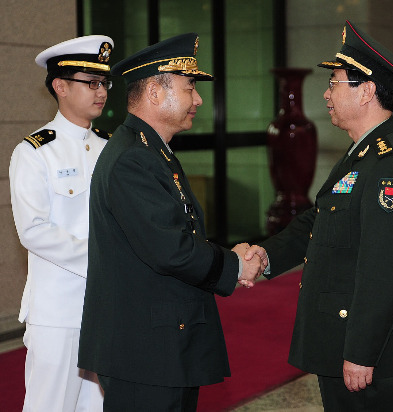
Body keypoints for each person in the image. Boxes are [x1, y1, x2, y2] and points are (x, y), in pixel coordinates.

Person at [241, 20, 393, 411]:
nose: (325, 94)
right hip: (341, 338)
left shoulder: (389, 166)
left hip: (361, 350)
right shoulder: (362, 153)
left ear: (367, 91)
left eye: (335, 82)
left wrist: (361, 351)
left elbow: (386, 268)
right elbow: (319, 220)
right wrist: (267, 255)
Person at [77, 33, 262, 411]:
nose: (198, 99)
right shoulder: (134, 158)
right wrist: (236, 264)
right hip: (145, 351)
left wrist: (227, 258)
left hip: (159, 345)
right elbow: (171, 250)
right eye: (190, 87)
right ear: (155, 94)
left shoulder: (151, 150)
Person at [9, 35, 114, 411]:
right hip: (57, 312)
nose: (101, 91)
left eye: (104, 83)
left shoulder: (109, 147)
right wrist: (104, 259)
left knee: (96, 407)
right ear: (60, 86)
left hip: (104, 306)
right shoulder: (35, 152)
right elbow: (33, 230)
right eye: (91, 83)